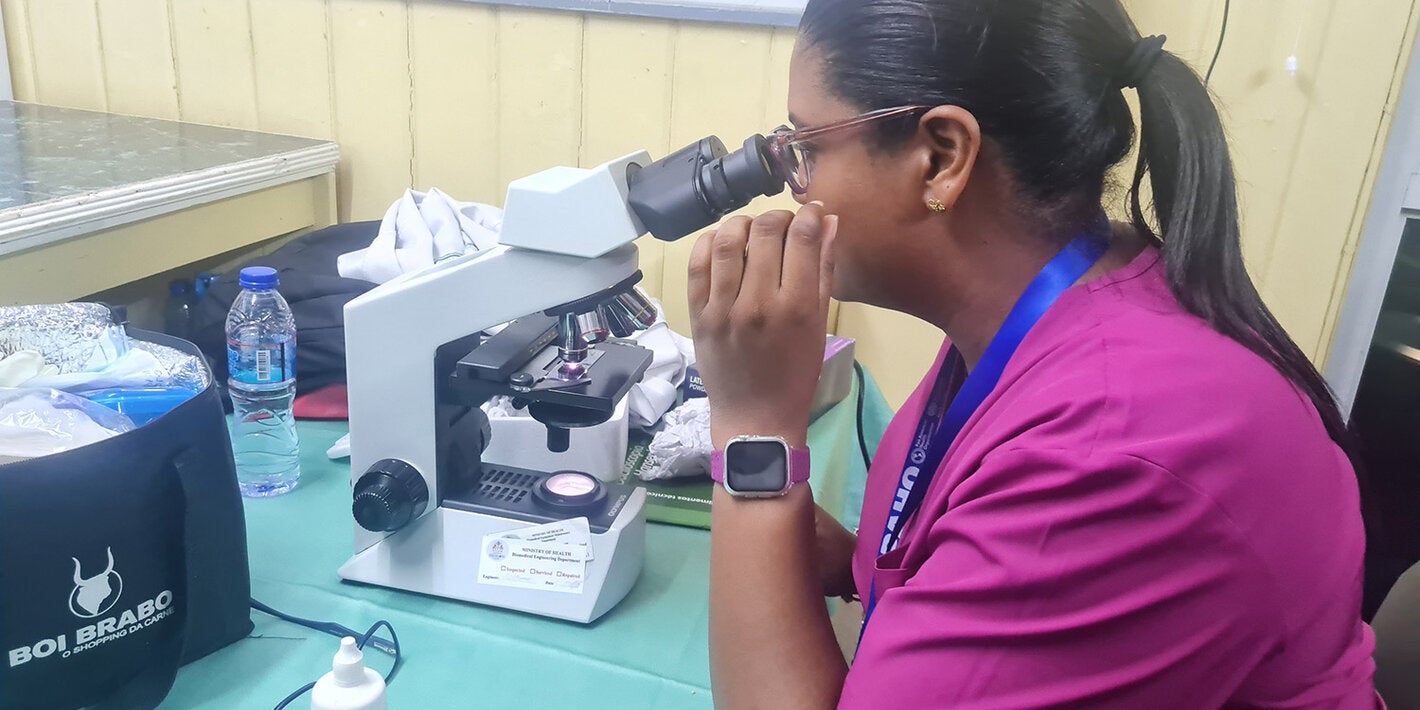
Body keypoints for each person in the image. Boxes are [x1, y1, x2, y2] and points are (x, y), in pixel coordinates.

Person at [686, 0, 1383, 707]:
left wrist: (756, 427)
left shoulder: (1117, 445)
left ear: (940, 158)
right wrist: (856, 562)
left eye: (807, 151)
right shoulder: (1058, 296)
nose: (794, 193)